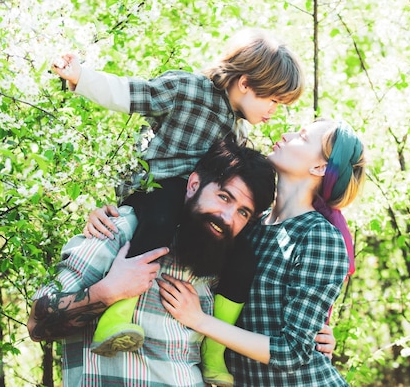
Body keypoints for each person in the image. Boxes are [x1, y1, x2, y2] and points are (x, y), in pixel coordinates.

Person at [52, 28, 305, 358]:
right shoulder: (188, 89)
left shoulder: (238, 128)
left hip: (195, 202)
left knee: (242, 253)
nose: (274, 111)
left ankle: (215, 352)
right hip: (155, 187)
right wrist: (81, 77)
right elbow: (131, 93)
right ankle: (115, 319)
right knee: (163, 213)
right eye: (273, 100)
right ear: (245, 83)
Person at [28, 140, 280, 385]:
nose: (227, 217)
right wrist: (109, 291)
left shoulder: (221, 265)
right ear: (193, 184)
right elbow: (36, 324)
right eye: (224, 197)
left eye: (243, 212)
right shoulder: (123, 231)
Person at [158, 119, 366, 386]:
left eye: (301, 137)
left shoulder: (319, 237)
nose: (286, 134)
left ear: (319, 167)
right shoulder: (250, 222)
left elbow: (293, 352)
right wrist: (116, 214)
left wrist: (199, 320)